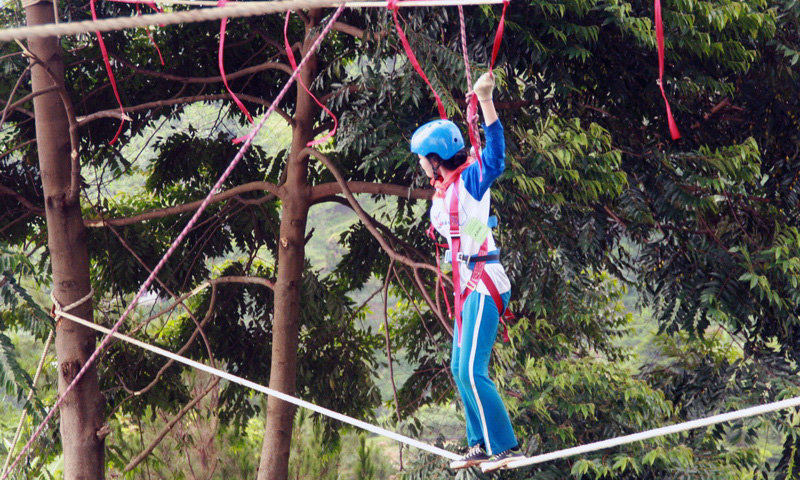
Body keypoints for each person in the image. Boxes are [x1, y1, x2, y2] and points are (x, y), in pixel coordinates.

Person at [410, 72, 524, 472]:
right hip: (469, 282)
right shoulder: (447, 192)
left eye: (423, 159)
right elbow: (471, 229)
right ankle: (478, 443)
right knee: (460, 369)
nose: (421, 165)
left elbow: (496, 158)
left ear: (436, 159)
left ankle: (504, 446)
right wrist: (481, 240)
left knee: (474, 371)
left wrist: (486, 101)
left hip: (483, 284)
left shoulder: (473, 180)